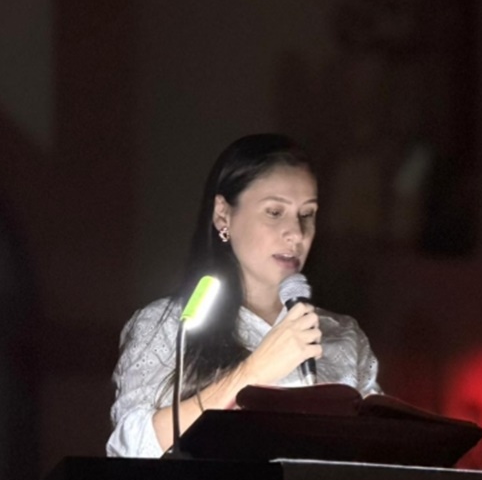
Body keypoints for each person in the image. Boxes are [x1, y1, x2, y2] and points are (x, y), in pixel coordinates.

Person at [107, 133, 380, 457]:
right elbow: (130, 448)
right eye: (274, 212)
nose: (296, 234)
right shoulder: (171, 324)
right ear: (223, 215)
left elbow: (376, 457)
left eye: (307, 214)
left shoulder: (344, 335)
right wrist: (254, 371)